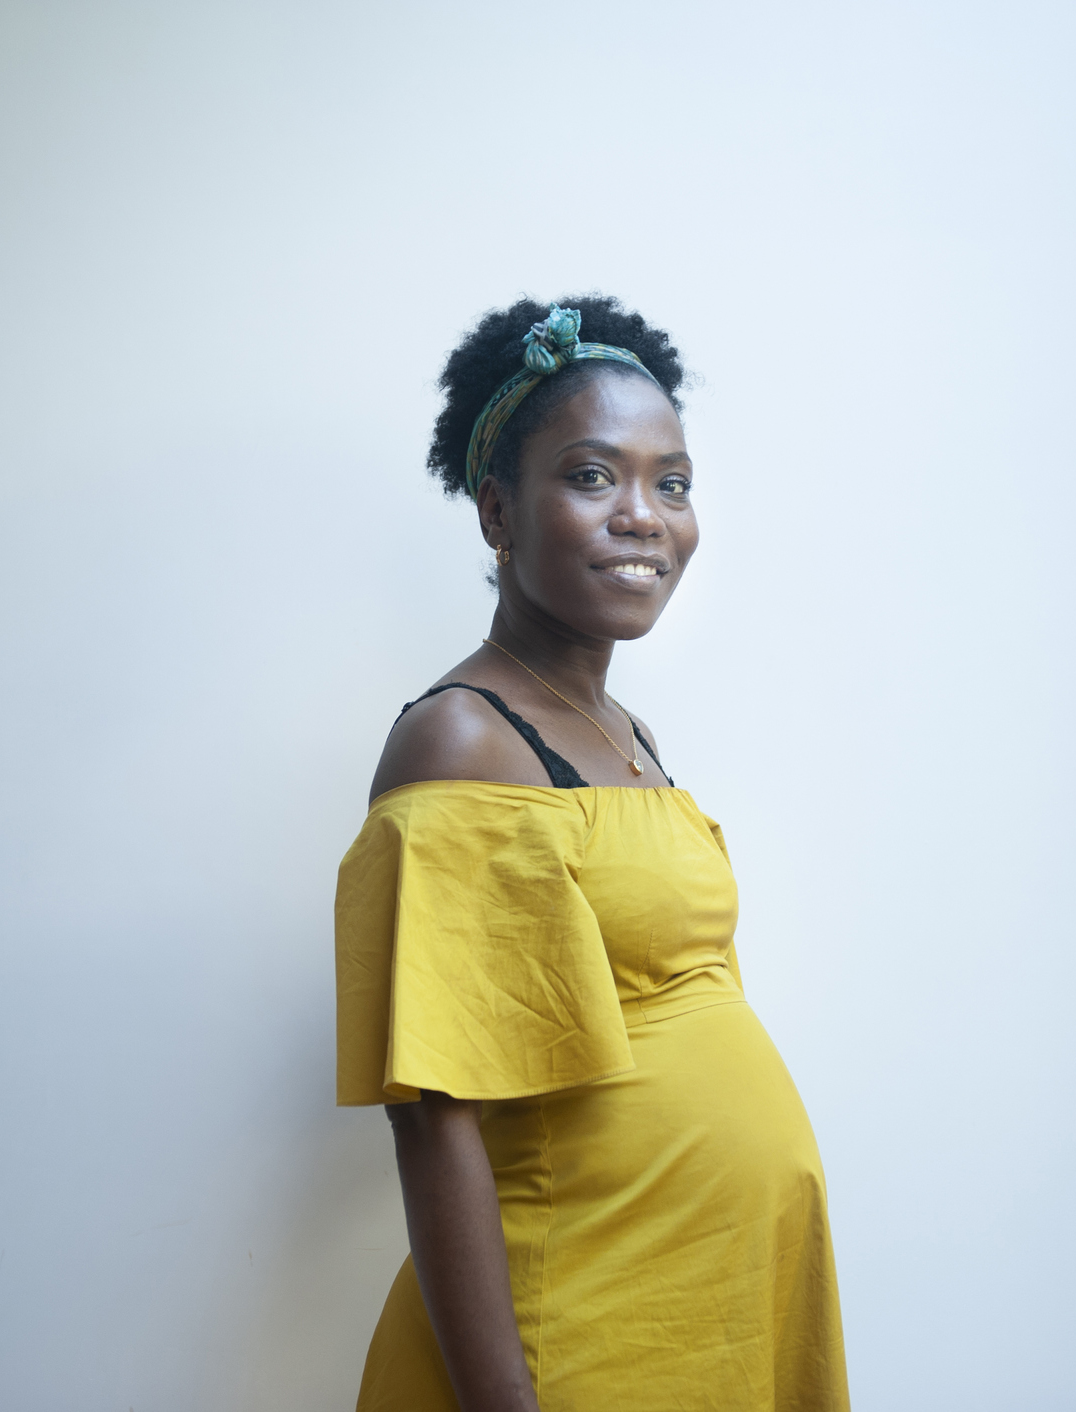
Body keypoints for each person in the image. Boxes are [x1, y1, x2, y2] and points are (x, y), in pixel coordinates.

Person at [335, 297, 849, 1411]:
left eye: (671, 480)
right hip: (579, 1322)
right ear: (497, 514)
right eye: (589, 475)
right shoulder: (464, 739)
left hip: (701, 1299)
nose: (643, 515)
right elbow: (435, 1112)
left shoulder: (626, 735)